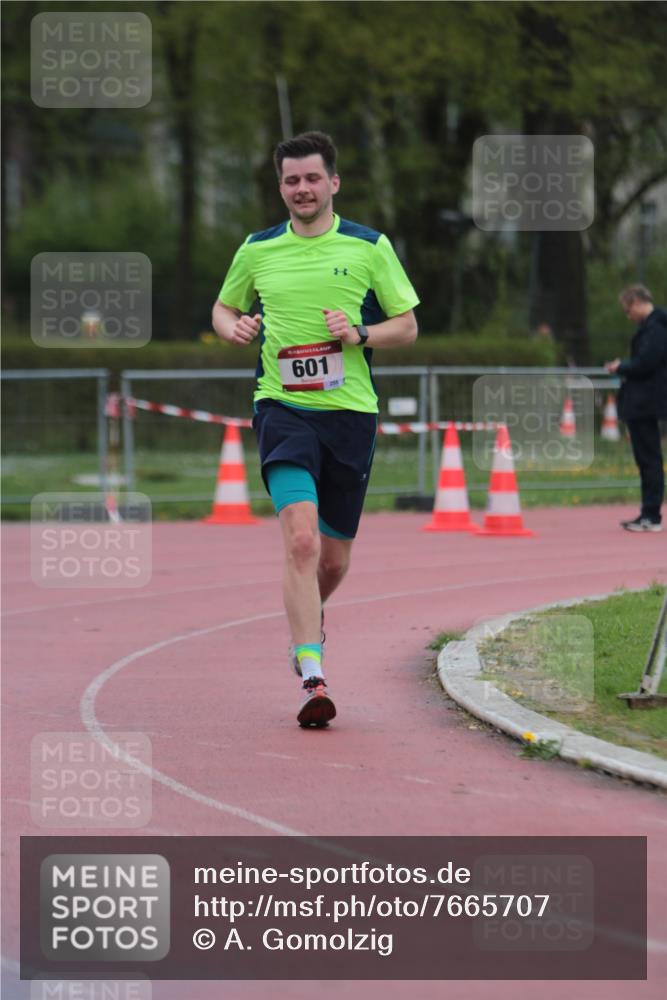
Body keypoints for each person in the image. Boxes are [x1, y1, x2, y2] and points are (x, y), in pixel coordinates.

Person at [212, 131, 419, 726]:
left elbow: (405, 325)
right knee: (300, 541)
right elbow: (224, 308)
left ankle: (307, 621)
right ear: (280, 187)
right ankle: (312, 672)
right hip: (282, 406)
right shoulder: (256, 249)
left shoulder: (368, 245)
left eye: (311, 178)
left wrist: (359, 334)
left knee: (332, 561)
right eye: (290, 180)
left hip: (351, 413)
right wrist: (233, 328)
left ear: (333, 182)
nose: (301, 189)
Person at [605, 284, 667, 532]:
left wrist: (621, 366)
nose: (628, 315)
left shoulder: (656, 328)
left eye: (628, 309)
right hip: (644, 400)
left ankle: (651, 516)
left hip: (646, 401)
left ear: (639, 302)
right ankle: (648, 512)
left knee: (649, 458)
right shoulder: (652, 327)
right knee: (646, 458)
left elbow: (647, 362)